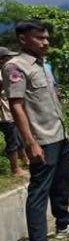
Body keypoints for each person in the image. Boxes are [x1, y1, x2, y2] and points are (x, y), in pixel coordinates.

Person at [3, 20, 69, 241]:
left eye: (46, 38)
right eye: (40, 38)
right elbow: (17, 106)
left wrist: (67, 136)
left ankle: (64, 224)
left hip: (58, 134)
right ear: (23, 38)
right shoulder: (16, 66)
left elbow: (51, 103)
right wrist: (30, 142)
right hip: (41, 138)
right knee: (39, 189)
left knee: (62, 182)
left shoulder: (43, 65)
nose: (46, 42)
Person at [0, 46, 29, 177]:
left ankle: (25, 159)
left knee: (18, 137)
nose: (11, 60)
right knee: (12, 140)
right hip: (5, 114)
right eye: (8, 58)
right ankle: (15, 169)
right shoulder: (3, 74)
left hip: (11, 112)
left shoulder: (5, 72)